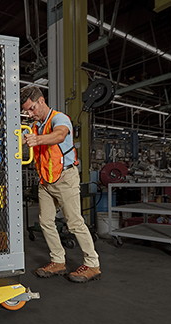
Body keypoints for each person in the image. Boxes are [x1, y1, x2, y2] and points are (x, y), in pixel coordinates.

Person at [20, 86, 101, 283]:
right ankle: (58, 261)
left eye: (31, 109)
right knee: (46, 222)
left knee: (74, 222)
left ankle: (92, 264)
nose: (30, 114)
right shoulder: (35, 126)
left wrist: (37, 140)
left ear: (41, 101)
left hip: (65, 178)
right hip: (45, 180)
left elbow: (60, 135)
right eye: (26, 111)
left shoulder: (59, 118)